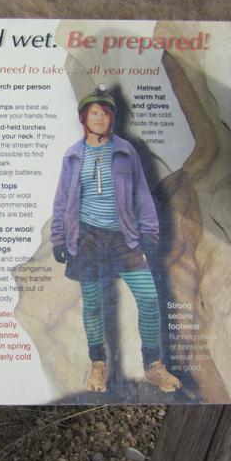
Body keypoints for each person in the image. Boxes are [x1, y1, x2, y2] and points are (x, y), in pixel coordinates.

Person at [51, 84, 182, 394]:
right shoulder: (72, 156)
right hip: (87, 240)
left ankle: (153, 365)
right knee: (93, 304)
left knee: (149, 298)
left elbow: (142, 196)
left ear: (111, 119)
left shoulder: (125, 151)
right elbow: (61, 201)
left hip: (124, 238)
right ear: (85, 117)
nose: (100, 118)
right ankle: (98, 364)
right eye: (95, 113)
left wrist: (148, 235)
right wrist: (59, 238)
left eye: (106, 113)